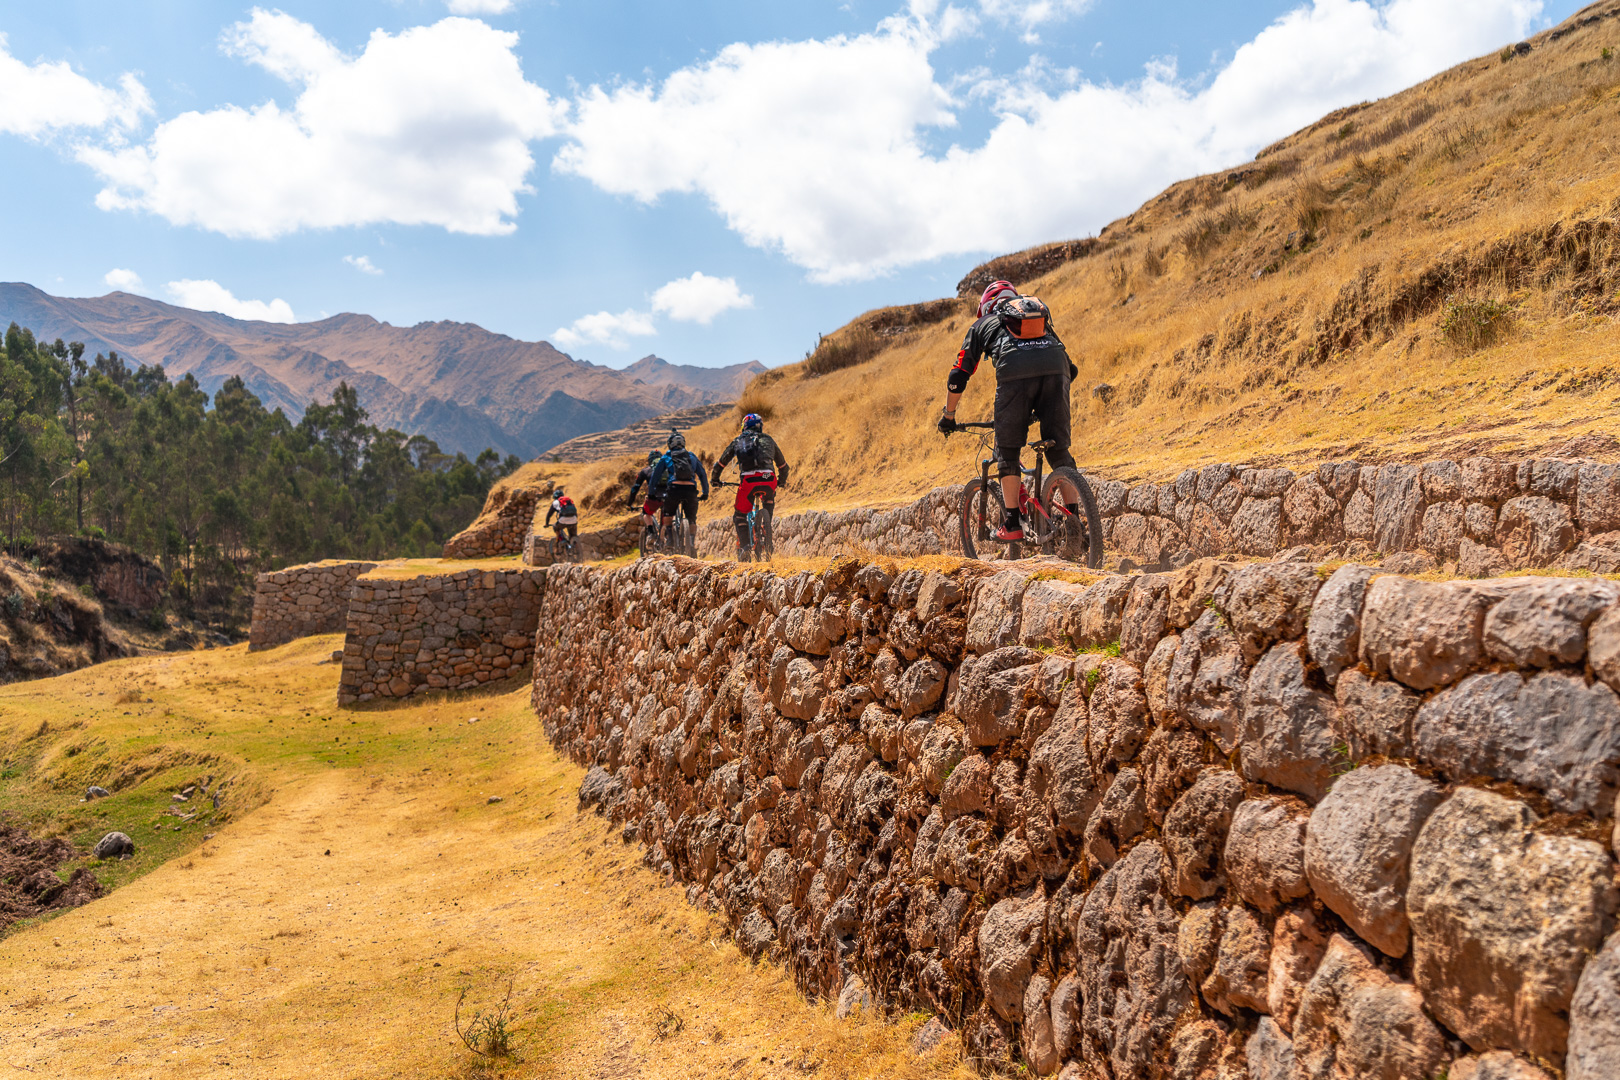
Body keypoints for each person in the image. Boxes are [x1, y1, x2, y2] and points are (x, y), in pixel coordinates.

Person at [938, 279, 1078, 541]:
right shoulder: (1035, 315)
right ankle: (1077, 523)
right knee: (1059, 450)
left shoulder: (982, 324)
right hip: (1057, 369)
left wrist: (949, 416)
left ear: (986, 306)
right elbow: (1072, 369)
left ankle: (1012, 523)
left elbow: (959, 374)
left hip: (1014, 374)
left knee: (1008, 451)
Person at [712, 413, 790, 561]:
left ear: (744, 427)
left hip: (748, 480)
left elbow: (720, 463)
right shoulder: (768, 440)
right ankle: (767, 531)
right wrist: (781, 481)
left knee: (740, 515)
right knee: (769, 497)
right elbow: (784, 467)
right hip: (768, 477)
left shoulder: (738, 441)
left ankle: (746, 547)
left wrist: (715, 479)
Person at [650, 431, 709, 551]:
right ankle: (691, 543)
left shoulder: (667, 456)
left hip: (674, 489)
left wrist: (652, 493)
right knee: (691, 518)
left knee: (667, 514)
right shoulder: (691, 456)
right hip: (691, 489)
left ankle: (670, 539)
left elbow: (655, 476)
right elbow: (702, 474)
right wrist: (705, 492)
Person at [626, 449, 667, 537]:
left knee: (646, 513)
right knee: (668, 514)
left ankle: (651, 533)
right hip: (669, 497)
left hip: (653, 498)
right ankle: (667, 533)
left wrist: (629, 504)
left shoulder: (645, 471)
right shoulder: (668, 468)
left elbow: (635, 488)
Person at [545, 485, 579, 550]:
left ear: (554, 497)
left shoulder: (555, 502)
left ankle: (561, 539)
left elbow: (549, 514)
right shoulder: (569, 500)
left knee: (555, 526)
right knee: (573, 536)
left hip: (563, 520)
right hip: (574, 519)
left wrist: (546, 523)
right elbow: (575, 511)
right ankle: (577, 550)